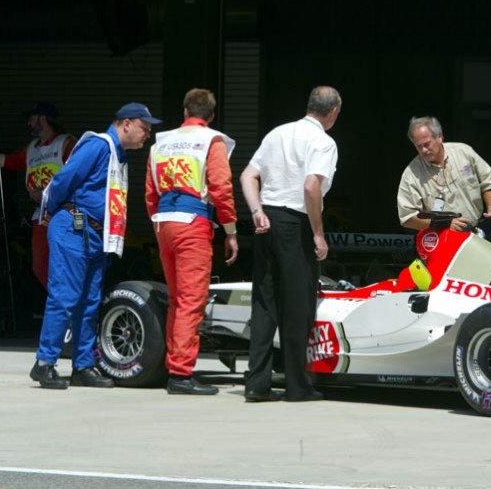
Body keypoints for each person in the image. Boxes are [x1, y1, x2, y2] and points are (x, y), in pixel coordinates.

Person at [29, 102, 161, 389]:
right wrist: (53, 209)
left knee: (89, 303)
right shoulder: (99, 146)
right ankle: (44, 363)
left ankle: (83, 365)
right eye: (144, 127)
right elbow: (64, 179)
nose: (147, 134)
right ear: (126, 123)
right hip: (74, 228)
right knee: (65, 297)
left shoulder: (118, 154)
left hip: (96, 234)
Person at [240, 86, 341, 402]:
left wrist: (256, 211)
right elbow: (312, 187)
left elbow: (247, 176)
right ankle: (298, 385)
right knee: (297, 307)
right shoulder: (323, 142)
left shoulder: (276, 133)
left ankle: (256, 383)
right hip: (294, 225)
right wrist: (318, 234)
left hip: (266, 221)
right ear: (333, 112)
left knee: (265, 303)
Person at [146, 88, 239, 396]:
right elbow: (221, 187)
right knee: (191, 301)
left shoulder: (161, 142)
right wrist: (230, 230)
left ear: (185, 112)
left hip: (163, 222)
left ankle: (174, 366)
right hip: (193, 223)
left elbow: (149, 192)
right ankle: (181, 374)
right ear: (211, 117)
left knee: (176, 298)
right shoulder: (211, 141)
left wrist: (160, 222)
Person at [0, 102, 76, 289]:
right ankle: (62, 301)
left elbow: (80, 176)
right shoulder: (31, 148)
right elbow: (13, 161)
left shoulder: (67, 143)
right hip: (41, 215)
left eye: (32, 118)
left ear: (43, 118)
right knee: (40, 266)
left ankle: (71, 304)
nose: (29, 123)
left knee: (68, 263)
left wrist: (50, 195)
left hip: (66, 213)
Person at [396, 116, 491, 234]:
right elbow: (407, 218)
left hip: (477, 230)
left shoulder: (464, 152)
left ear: (440, 137)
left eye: (427, 144)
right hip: (441, 237)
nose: (424, 150)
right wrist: (443, 224)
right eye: (418, 146)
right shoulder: (411, 174)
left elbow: (488, 181)